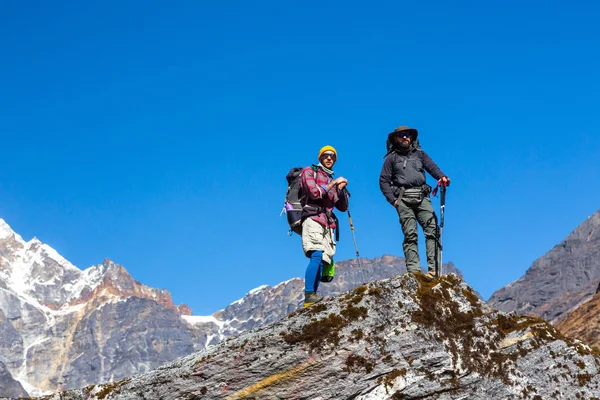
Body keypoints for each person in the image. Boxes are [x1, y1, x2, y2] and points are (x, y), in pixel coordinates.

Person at [379, 126, 450, 280]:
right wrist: (393, 200)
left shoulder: (420, 155)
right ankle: (414, 272)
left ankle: (434, 270)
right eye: (401, 135)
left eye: (407, 135)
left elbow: (432, 168)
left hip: (422, 197)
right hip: (403, 200)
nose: (405, 137)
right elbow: (383, 180)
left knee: (432, 230)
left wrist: (442, 177)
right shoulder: (391, 159)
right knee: (410, 234)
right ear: (395, 139)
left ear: (412, 137)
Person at [300, 145, 348, 307]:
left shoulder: (330, 179)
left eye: (332, 156)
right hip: (312, 217)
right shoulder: (309, 171)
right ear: (320, 158)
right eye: (326, 155)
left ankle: (311, 299)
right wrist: (334, 183)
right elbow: (314, 193)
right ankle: (309, 294)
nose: (329, 158)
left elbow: (342, 207)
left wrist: (340, 190)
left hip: (328, 223)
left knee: (322, 259)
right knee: (316, 255)